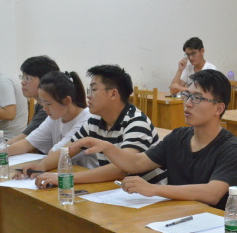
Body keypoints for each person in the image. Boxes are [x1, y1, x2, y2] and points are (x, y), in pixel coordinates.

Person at [75, 69, 237, 210]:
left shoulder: (231, 148)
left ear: (218, 109)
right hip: (175, 216)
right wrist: (107, 147)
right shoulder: (178, 137)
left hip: (214, 225)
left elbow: (212, 193)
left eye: (197, 98)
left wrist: (154, 189)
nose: (188, 103)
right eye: (187, 95)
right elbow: (136, 163)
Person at [23, 64, 164, 186]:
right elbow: (67, 150)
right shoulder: (95, 121)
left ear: (113, 94)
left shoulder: (136, 122)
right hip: (119, 191)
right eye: (88, 90)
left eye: (94, 90)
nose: (88, 96)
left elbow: (121, 168)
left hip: (151, 198)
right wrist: (40, 166)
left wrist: (67, 178)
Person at [0, 71, 93, 168]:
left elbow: (57, 153)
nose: (44, 108)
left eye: (48, 104)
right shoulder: (55, 116)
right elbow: (28, 142)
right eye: (42, 102)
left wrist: (40, 166)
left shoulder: (87, 120)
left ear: (67, 101)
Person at [8, 55, 60, 145]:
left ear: (45, 80)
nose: (22, 82)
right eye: (22, 77)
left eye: (28, 78)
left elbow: (23, 139)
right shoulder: (39, 105)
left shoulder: (48, 109)